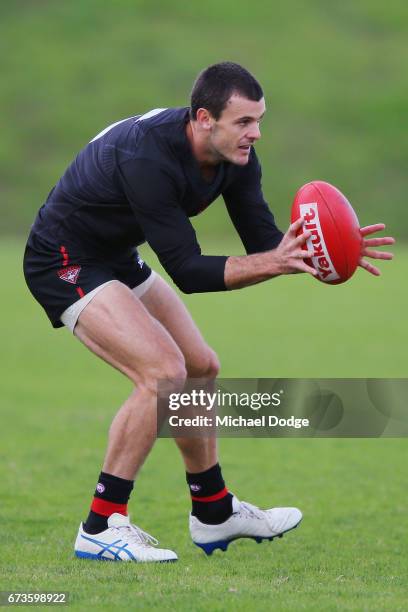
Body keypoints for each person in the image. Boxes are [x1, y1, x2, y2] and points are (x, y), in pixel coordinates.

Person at [23, 62, 394, 562]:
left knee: (200, 367)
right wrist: (277, 260)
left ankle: (214, 512)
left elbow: (265, 245)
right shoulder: (146, 157)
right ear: (203, 119)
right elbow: (189, 271)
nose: (255, 133)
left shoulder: (238, 159)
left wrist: (322, 250)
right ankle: (101, 523)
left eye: (259, 120)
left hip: (114, 257)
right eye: (243, 122)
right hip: (63, 257)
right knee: (162, 374)